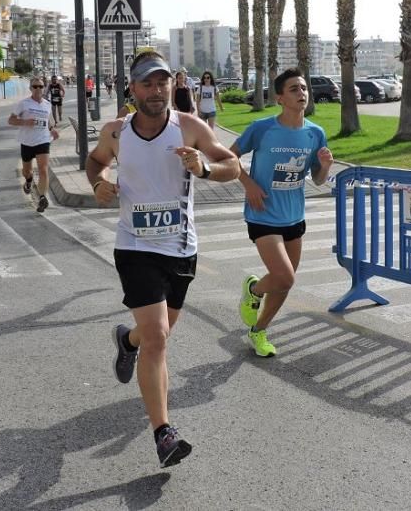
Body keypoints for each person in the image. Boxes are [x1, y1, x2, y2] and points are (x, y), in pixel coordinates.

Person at [85, 50, 240, 468]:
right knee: (158, 338)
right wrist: (99, 183)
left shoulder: (188, 127)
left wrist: (204, 167)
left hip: (181, 248)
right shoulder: (116, 132)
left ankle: (126, 340)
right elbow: (96, 161)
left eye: (162, 82)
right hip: (134, 247)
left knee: (156, 333)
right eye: (147, 84)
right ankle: (164, 433)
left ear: (172, 85)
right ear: (132, 89)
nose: (156, 91)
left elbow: (233, 165)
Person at [230, 67, 333, 357]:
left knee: (283, 284)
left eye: (303, 88)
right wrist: (248, 183)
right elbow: (229, 157)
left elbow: (317, 179)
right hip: (262, 214)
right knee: (285, 277)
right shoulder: (262, 128)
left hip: (294, 217)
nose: (302, 93)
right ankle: (253, 292)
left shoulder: (315, 133)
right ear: (280, 98)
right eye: (294, 89)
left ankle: (259, 330)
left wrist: (325, 166)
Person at [8, 76, 60, 213]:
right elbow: (11, 120)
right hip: (26, 142)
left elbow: (48, 121)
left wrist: (52, 130)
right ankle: (29, 180)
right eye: (35, 86)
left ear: (44, 88)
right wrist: (25, 122)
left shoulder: (47, 105)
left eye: (40, 86)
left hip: (43, 140)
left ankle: (42, 197)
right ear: (30, 88)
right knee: (27, 171)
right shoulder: (23, 104)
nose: (38, 89)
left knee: (43, 169)